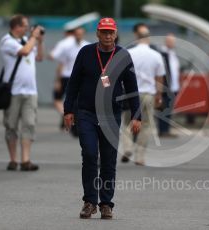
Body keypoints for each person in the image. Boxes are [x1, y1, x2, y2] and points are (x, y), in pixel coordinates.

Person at [63, 17, 141, 219]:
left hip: (111, 115)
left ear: (115, 34)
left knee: (108, 160)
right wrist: (68, 110)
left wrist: (136, 115)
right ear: (97, 33)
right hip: (87, 112)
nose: (107, 35)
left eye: (111, 32)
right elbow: (73, 83)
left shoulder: (123, 55)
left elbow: (132, 88)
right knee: (89, 155)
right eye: (104, 32)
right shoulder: (86, 53)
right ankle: (90, 202)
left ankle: (106, 203)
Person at [0, 14, 44, 171]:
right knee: (11, 126)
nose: (27, 28)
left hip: (31, 91)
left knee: (29, 124)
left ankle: (26, 160)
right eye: (25, 25)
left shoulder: (28, 40)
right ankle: (13, 160)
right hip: (13, 91)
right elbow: (25, 51)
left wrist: (39, 41)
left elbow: (39, 57)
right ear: (16, 26)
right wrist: (33, 37)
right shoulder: (7, 41)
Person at [121, 24, 165, 165]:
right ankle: (140, 156)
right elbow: (159, 78)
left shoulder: (129, 53)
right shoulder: (156, 55)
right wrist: (159, 95)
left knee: (126, 123)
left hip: (131, 93)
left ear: (136, 37)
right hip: (148, 94)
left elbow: (123, 74)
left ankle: (127, 148)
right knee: (145, 125)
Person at [49, 27, 90, 134]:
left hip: (81, 77)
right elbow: (61, 63)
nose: (78, 36)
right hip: (67, 76)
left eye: (80, 34)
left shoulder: (87, 46)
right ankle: (66, 115)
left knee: (77, 101)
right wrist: (57, 80)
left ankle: (75, 123)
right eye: (77, 34)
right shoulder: (68, 47)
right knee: (63, 99)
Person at [158, 33, 180, 137]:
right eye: (170, 41)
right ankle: (163, 130)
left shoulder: (173, 53)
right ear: (166, 41)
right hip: (165, 86)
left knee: (169, 109)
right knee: (164, 108)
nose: (172, 43)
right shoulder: (162, 53)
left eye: (173, 41)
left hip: (174, 86)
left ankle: (166, 129)